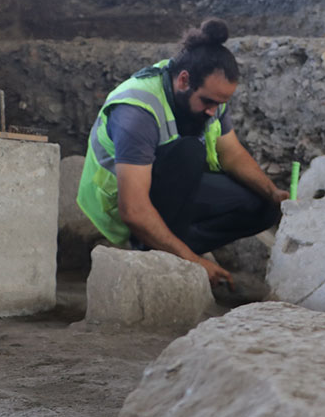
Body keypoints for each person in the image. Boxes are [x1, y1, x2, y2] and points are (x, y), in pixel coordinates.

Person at [77, 18, 287, 290]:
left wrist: (274, 193)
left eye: (221, 104)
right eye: (209, 102)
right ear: (184, 80)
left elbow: (231, 153)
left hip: (171, 188)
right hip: (123, 205)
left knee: (263, 207)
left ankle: (170, 247)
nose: (214, 111)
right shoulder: (136, 112)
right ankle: (150, 249)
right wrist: (194, 262)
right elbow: (134, 209)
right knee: (190, 152)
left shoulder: (211, 98)